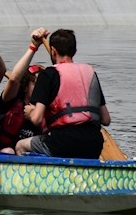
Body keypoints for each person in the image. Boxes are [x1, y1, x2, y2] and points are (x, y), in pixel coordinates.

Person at [16, 29, 111, 159]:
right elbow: (106, 119)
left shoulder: (48, 74)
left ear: (53, 51)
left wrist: (30, 112)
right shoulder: (91, 73)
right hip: (95, 144)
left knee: (20, 146)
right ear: (75, 51)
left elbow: (37, 119)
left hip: (63, 143)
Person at [0, 28, 49, 154]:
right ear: (26, 87)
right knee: (6, 150)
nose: (41, 88)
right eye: (36, 83)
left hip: (31, 157)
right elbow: (14, 79)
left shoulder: (47, 110)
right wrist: (34, 46)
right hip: (3, 150)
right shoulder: (11, 101)